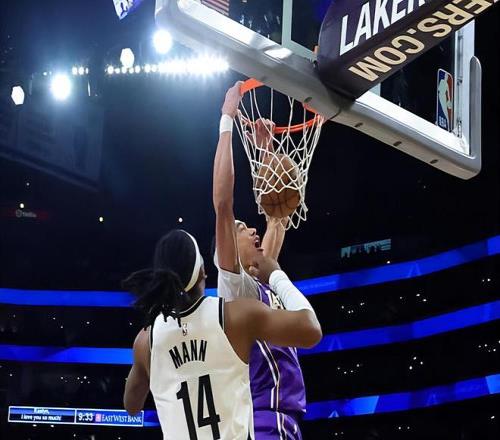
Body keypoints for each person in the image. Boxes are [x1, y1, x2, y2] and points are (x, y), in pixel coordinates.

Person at [123, 229, 321, 440]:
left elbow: (132, 406)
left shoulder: (146, 341)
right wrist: (276, 276)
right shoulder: (234, 317)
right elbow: (311, 330)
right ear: (202, 271)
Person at [213, 81, 319, 439]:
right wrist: (227, 119)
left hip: (279, 421)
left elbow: (277, 219)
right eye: (243, 229)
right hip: (261, 419)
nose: (252, 230)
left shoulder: (259, 282)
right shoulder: (234, 288)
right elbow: (223, 205)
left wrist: (266, 150)